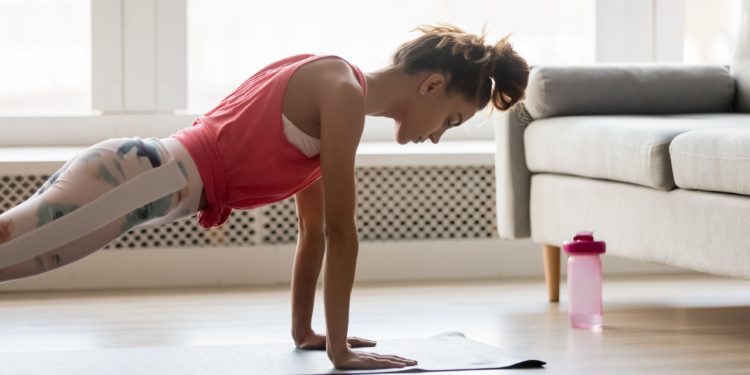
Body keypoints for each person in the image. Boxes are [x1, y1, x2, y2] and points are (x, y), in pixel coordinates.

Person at [0, 23, 529, 370]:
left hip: (134, 175)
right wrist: (342, 354)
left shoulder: (337, 90)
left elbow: (315, 230)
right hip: (137, 181)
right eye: (451, 121)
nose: (438, 135)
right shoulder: (341, 93)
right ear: (432, 85)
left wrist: (309, 332)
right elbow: (345, 232)